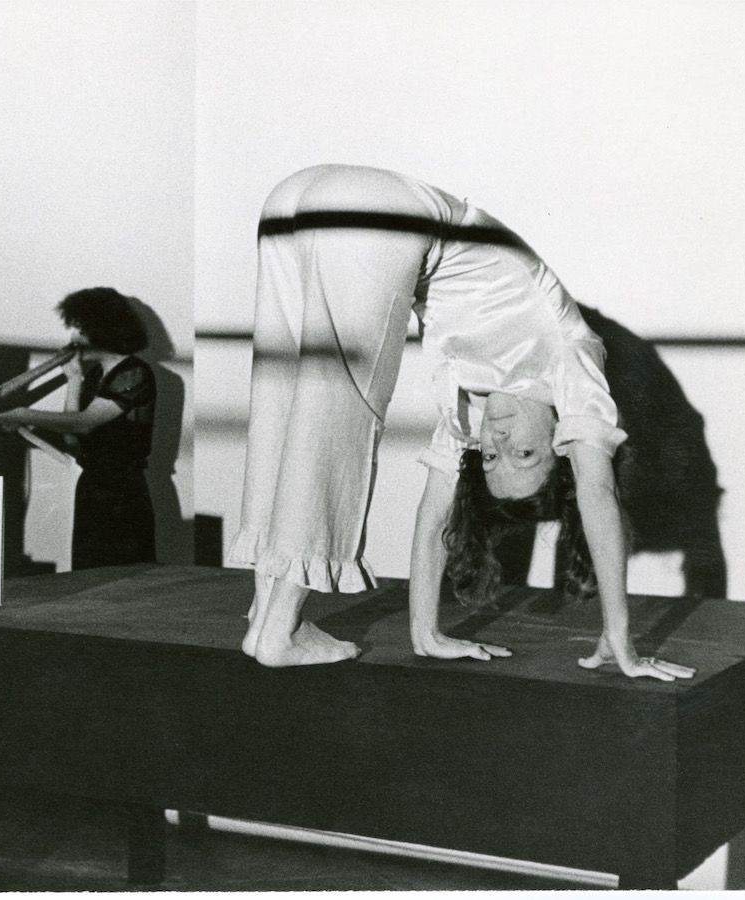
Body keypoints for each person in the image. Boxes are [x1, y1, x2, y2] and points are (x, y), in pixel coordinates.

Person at [230, 164, 694, 682]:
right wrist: (619, 633)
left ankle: (262, 615)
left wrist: (425, 634)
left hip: (294, 197)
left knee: (284, 393)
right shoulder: (574, 365)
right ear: (563, 440)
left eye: (491, 456)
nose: (496, 438)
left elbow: (433, 520)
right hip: (382, 208)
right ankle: (281, 630)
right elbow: (598, 494)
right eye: (524, 453)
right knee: (344, 404)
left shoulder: (470, 410)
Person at [0, 287, 157, 569]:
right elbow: (73, 436)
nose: (73, 338)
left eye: (80, 329)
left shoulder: (134, 372)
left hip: (122, 491)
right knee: (88, 573)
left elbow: (84, 424)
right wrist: (73, 379)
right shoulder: (96, 374)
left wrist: (25, 412)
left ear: (102, 330)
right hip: (93, 486)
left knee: (122, 577)